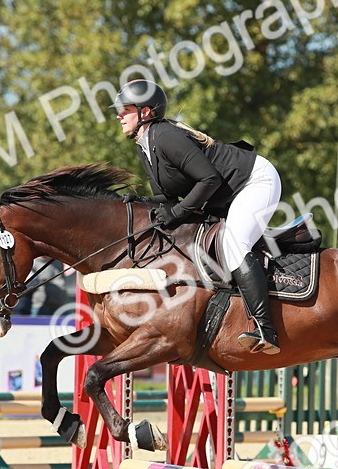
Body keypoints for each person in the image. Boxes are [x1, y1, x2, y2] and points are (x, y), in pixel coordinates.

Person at [112, 79, 281, 354]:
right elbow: (167, 199)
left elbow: (209, 179)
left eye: (125, 109)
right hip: (229, 191)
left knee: (235, 243)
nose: (119, 115)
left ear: (145, 112)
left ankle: (265, 328)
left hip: (255, 180)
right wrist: (139, 202)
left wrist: (178, 212)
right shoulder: (146, 145)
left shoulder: (166, 136)